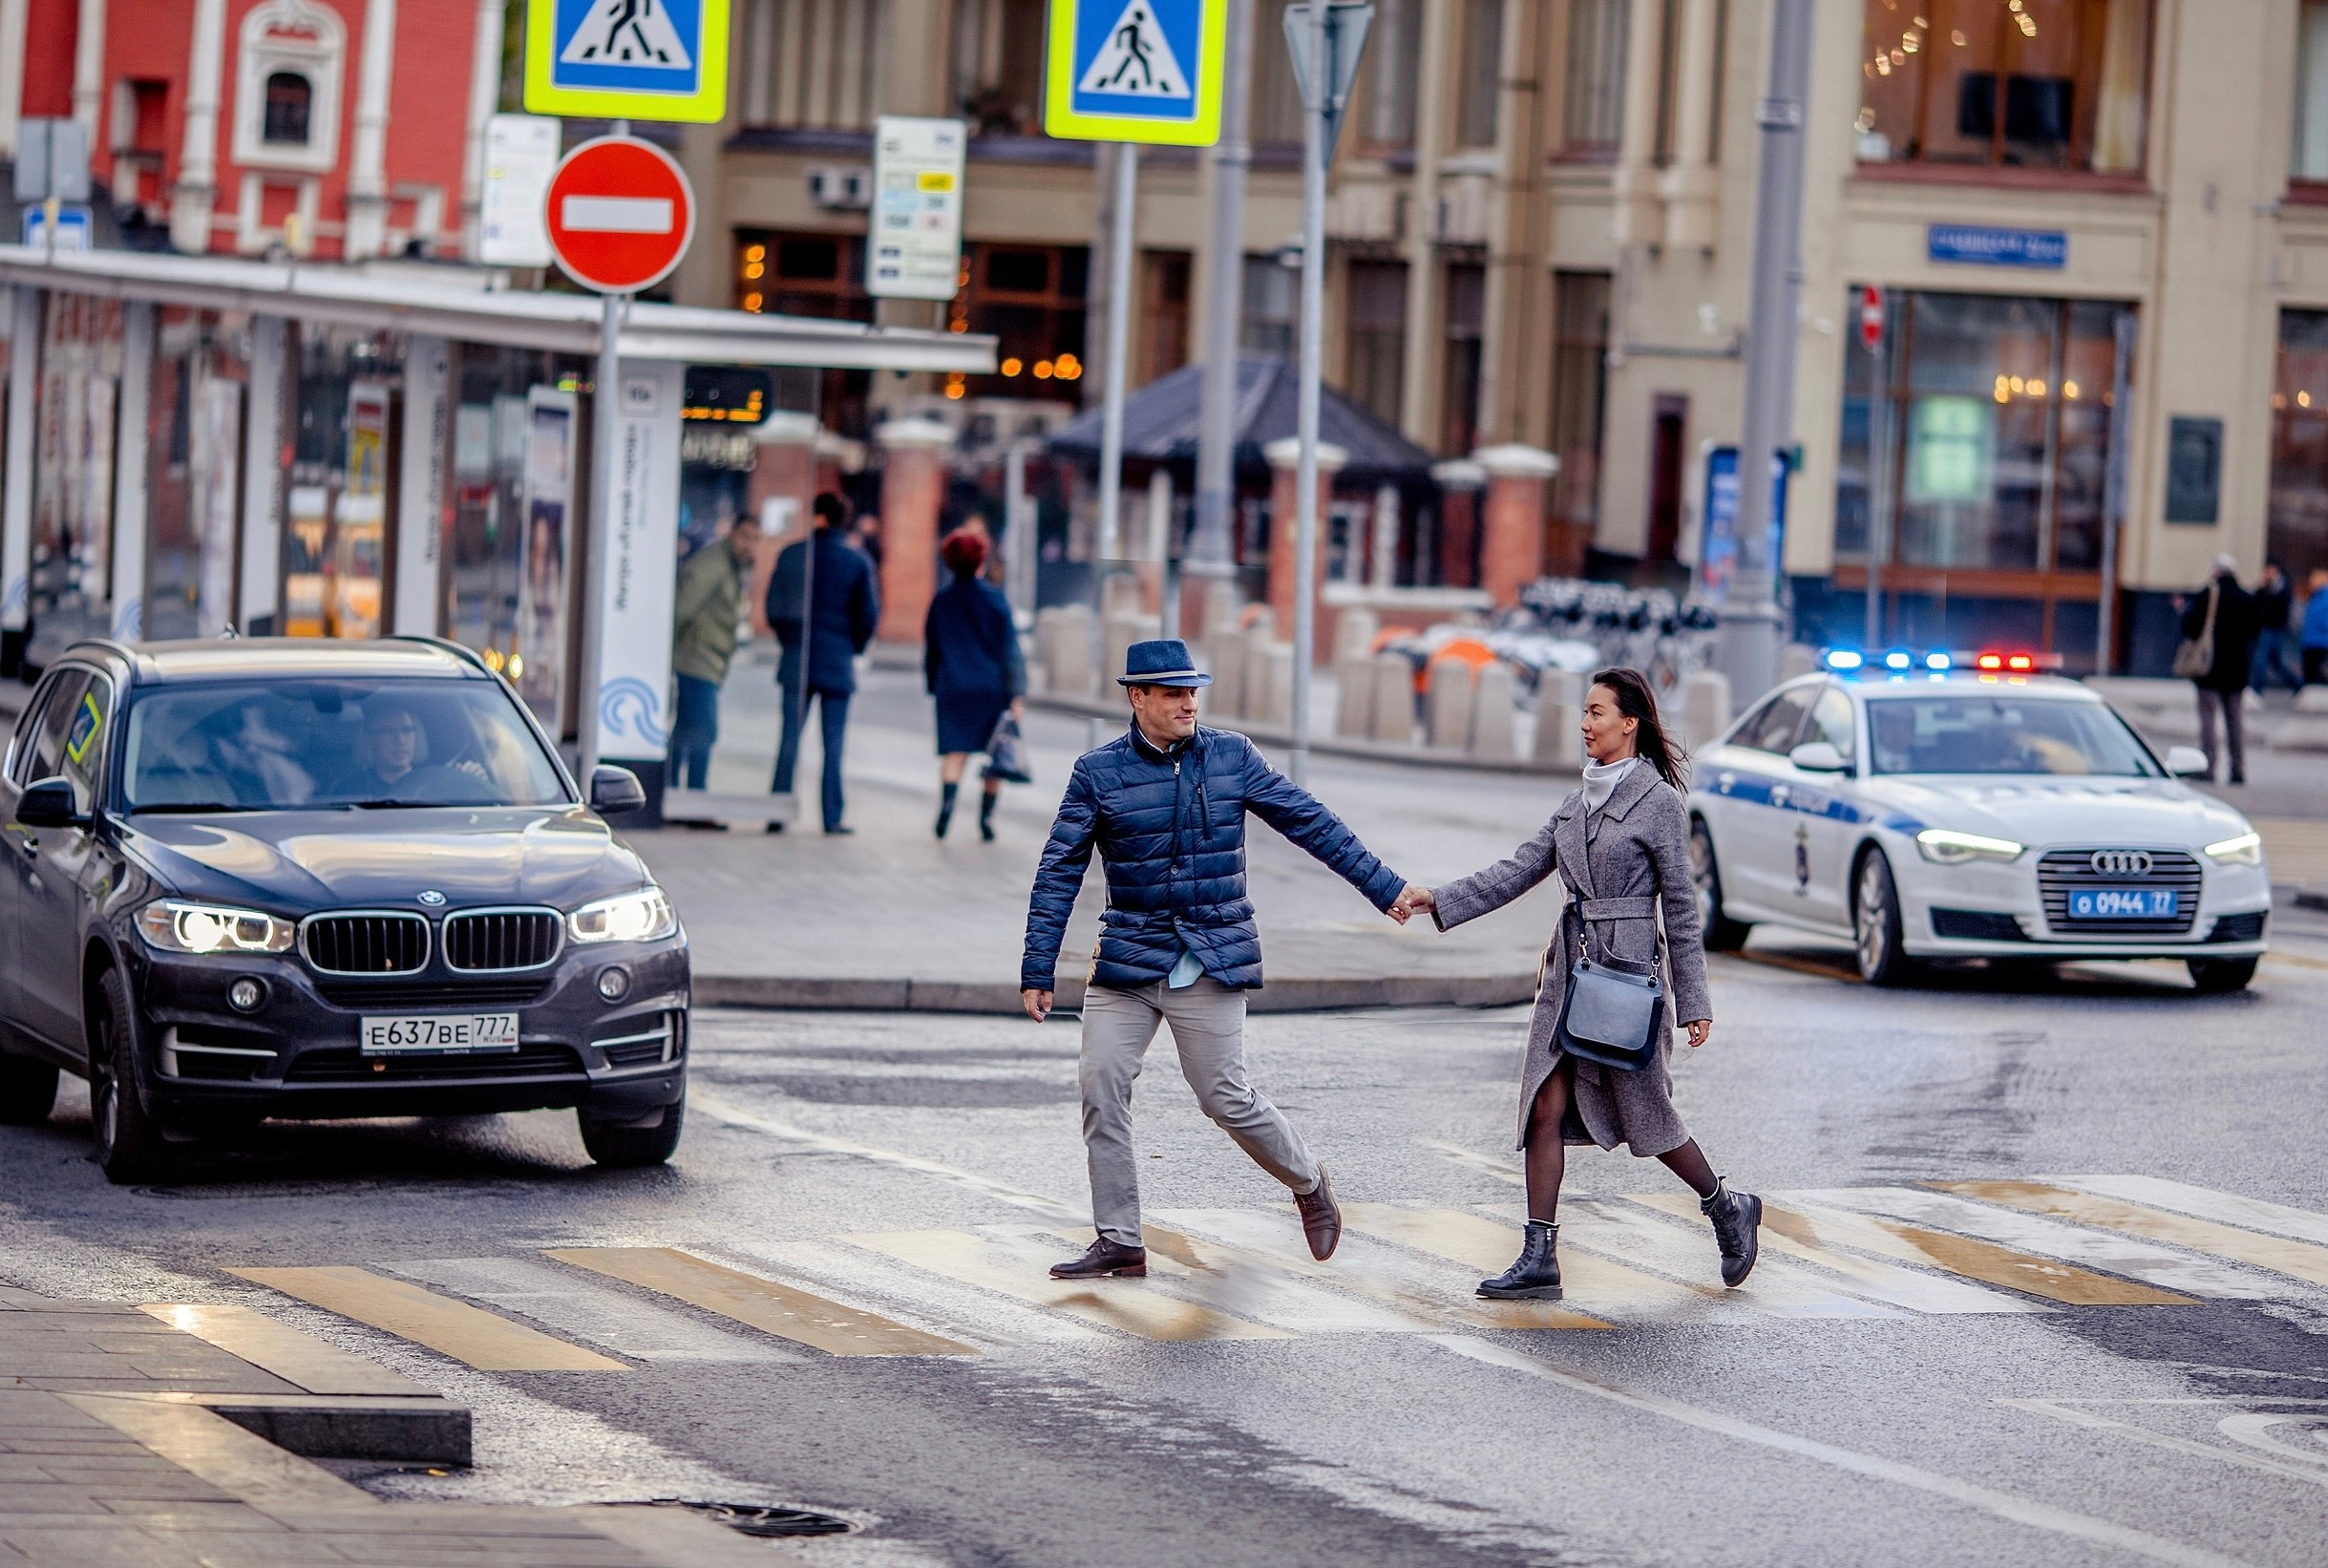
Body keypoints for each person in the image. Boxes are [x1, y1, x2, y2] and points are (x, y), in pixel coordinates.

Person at [1021, 639, 1427, 1279]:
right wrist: (1037, 967)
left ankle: (1309, 1184)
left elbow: (1309, 821)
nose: (1190, 703)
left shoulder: (1231, 756)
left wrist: (1385, 888)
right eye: (1174, 693)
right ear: (1137, 697)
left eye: (1193, 691)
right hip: (1128, 959)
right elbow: (1058, 871)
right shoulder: (1097, 772)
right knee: (1100, 1088)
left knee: (1223, 1097)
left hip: (1208, 954)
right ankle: (1120, 1240)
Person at [1391, 668, 1757, 1300]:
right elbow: (1516, 870)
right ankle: (1540, 1256)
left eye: (1596, 712)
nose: (1584, 724)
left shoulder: (1659, 802)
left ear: (1629, 723)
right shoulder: (1576, 801)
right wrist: (1437, 898)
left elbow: (1681, 906)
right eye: (1584, 712)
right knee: (1544, 1105)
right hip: (1568, 974)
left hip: (1626, 981)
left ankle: (1727, 1207)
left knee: (1649, 1116)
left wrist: (1693, 1000)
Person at [769, 493, 880, 834]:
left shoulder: (792, 554)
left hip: (797, 659)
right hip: (837, 661)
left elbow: (774, 608)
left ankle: (777, 810)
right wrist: (852, 647)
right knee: (833, 745)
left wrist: (790, 642)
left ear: (817, 516)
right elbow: (868, 615)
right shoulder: (857, 561)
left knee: (789, 740)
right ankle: (832, 817)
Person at [923, 529, 1026, 841]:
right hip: (991, 689)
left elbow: (932, 649)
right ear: (981, 560)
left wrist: (933, 684)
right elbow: (1010, 651)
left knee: (954, 754)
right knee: (996, 754)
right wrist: (1016, 694)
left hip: (952, 687)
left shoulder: (941, 601)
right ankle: (986, 820)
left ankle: (946, 809)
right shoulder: (995, 599)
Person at [667, 513, 761, 792]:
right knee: (704, 730)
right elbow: (683, 608)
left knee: (686, 727)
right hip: (697, 658)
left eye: (756, 539)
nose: (749, 544)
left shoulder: (732, 566)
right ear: (732, 533)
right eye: (745, 536)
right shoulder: (715, 563)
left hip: (706, 659)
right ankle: (695, 793)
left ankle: (671, 787)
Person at [2181, 554, 2259, 785]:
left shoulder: (2207, 595)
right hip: (2237, 671)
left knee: (2208, 719)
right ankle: (2237, 769)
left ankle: (2208, 767)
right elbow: (2255, 631)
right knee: (2235, 720)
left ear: (2216, 571)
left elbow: (2189, 626)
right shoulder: (2246, 598)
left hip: (2209, 669)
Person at [2252, 562, 2300, 693]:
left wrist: (2269, 592)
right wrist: (2262, 589)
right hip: (2265, 627)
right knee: (2275, 661)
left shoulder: (2282, 586)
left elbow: (2280, 607)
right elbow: (2256, 603)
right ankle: (2296, 683)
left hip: (2275, 628)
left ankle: (2256, 688)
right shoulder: (2265, 587)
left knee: (2261, 658)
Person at [2304, 568, 2328, 688]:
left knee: (2315, 674)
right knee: (2310, 673)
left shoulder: (2324, 597)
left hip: (2320, 641)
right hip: (2310, 640)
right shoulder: (2315, 596)